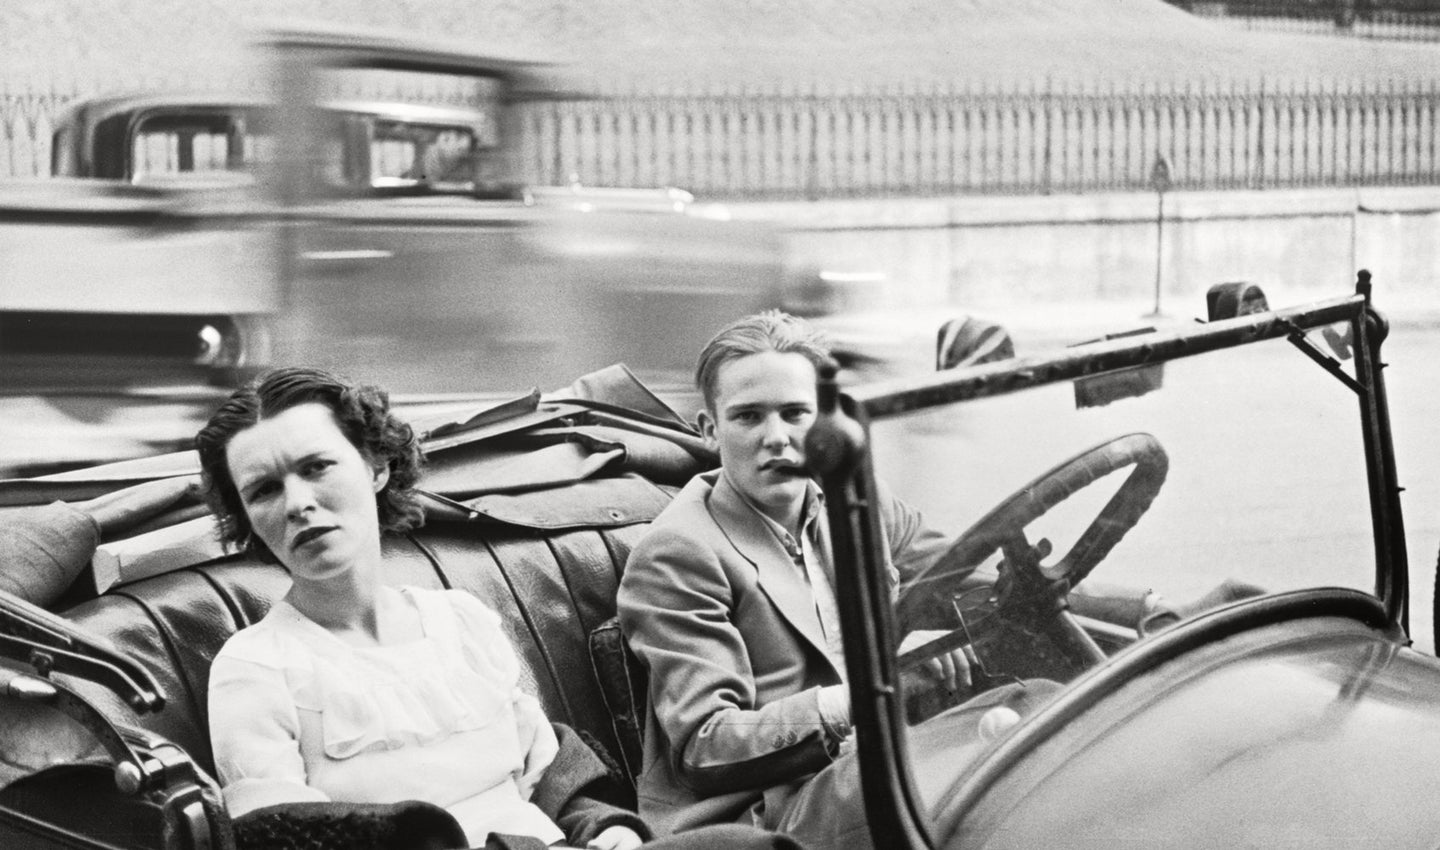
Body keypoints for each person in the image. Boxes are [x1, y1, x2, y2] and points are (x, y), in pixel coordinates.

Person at [616, 311, 1257, 848]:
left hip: (870, 754)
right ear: (709, 429)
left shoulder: (849, 501)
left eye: (795, 413)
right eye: (749, 417)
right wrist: (871, 693)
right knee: (1030, 752)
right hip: (766, 814)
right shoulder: (680, 552)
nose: (777, 438)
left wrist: (1152, 609)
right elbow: (706, 746)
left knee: (1049, 704)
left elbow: (983, 574)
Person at [197, 367, 649, 850]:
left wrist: (610, 831)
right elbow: (280, 839)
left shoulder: (461, 620)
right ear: (246, 519)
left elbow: (550, 777)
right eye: (264, 490)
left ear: (376, 468)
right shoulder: (256, 668)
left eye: (315, 467)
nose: (297, 503)